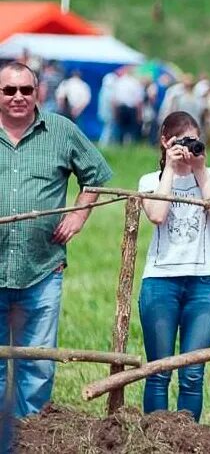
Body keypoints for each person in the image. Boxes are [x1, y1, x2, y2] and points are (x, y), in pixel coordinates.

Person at [0, 62, 112, 417]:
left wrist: (78, 214)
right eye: (9, 90)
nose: (18, 97)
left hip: (42, 268)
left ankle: (29, 435)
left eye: (25, 90)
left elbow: (95, 174)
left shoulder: (61, 130)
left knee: (38, 362)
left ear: (39, 93)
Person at [136, 111, 210, 421]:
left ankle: (187, 438)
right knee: (159, 369)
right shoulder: (150, 180)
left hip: (203, 283)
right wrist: (170, 170)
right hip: (161, 281)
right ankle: (157, 438)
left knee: (193, 372)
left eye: (194, 141)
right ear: (165, 142)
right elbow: (157, 215)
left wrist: (200, 171)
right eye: (181, 142)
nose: (188, 148)